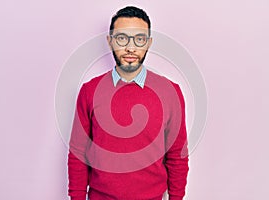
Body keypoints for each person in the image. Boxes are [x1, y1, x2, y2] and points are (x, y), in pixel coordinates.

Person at [68, 6, 189, 200]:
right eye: (122, 38)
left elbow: (177, 156)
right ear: (110, 41)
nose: (130, 48)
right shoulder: (89, 91)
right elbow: (78, 153)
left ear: (148, 43)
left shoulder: (171, 92)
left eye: (139, 39)